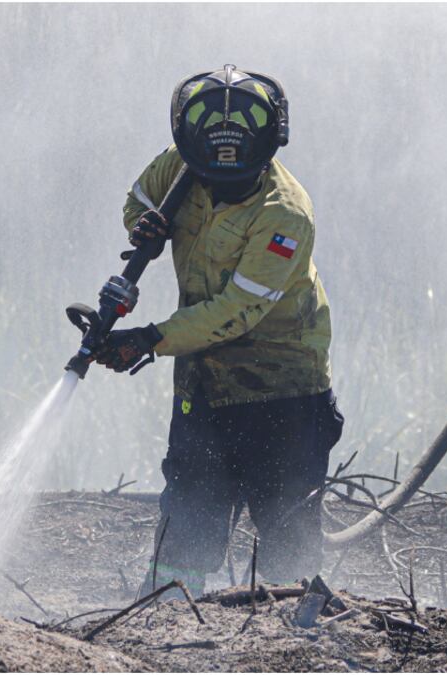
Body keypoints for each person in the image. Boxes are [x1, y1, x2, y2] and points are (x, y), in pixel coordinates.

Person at [95, 65, 343, 597]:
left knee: (287, 534)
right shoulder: (180, 164)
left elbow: (236, 311)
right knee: (188, 512)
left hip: (283, 390)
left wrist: (147, 340)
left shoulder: (285, 214)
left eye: (234, 176)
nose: (218, 181)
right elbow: (138, 196)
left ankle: (292, 634)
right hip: (204, 381)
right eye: (209, 172)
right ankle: (161, 615)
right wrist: (143, 223)